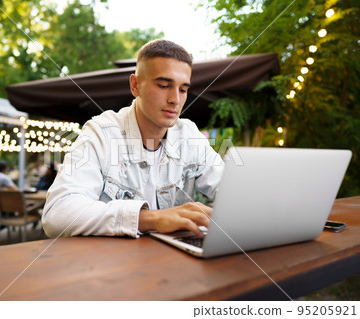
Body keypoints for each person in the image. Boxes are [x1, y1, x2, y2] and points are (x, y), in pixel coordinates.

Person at [42, 39, 224, 239]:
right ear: (135, 86)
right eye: (164, 85)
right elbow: (57, 213)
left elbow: (230, 192)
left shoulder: (189, 135)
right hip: (113, 264)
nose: (175, 99)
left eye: (183, 89)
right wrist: (152, 219)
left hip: (173, 262)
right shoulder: (101, 132)